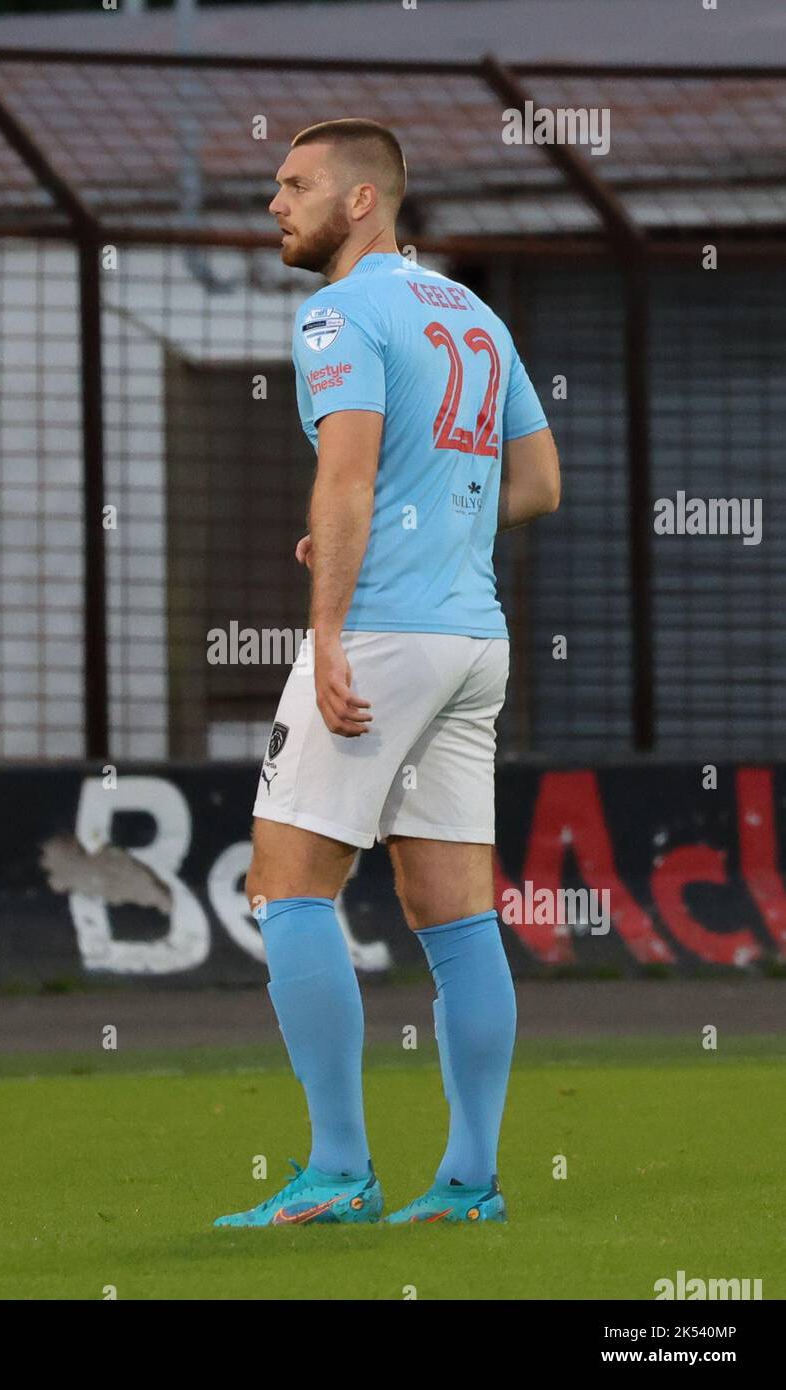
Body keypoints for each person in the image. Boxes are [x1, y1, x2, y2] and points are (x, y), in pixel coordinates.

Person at [214, 118, 560, 1228]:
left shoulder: (340, 311)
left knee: (286, 883)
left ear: (361, 201)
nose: (274, 203)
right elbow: (540, 483)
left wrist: (325, 633)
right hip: (473, 638)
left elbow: (349, 477)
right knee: (454, 913)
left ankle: (337, 1172)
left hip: (385, 633)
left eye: (294, 183)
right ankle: (467, 1182)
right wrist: (438, 524)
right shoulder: (474, 313)